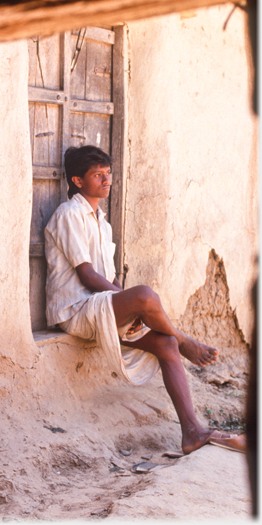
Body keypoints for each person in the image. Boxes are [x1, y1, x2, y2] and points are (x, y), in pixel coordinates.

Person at [44, 145, 246, 455]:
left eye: (108, 174)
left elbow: (110, 279)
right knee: (145, 296)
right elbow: (87, 276)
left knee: (163, 344)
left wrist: (128, 307)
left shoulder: (103, 223)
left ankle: (192, 430)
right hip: (75, 309)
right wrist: (131, 302)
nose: (106, 180)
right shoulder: (68, 214)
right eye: (97, 175)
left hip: (101, 306)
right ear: (78, 180)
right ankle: (184, 339)